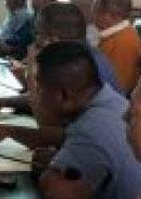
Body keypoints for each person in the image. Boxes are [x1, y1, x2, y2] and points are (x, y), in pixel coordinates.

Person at [0, 3, 123, 150]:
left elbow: (47, 124)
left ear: (52, 40)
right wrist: (5, 102)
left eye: (37, 34)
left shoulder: (78, 68)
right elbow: (51, 100)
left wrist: (31, 73)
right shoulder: (83, 58)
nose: (34, 42)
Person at [35, 42, 141, 199]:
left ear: (63, 95)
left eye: (40, 88)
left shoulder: (90, 129)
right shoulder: (111, 99)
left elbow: (56, 192)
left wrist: (50, 173)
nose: (125, 118)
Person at [94, 0, 141, 94]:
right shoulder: (120, 36)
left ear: (114, 15)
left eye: (97, 12)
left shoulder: (123, 42)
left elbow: (118, 87)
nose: (94, 17)